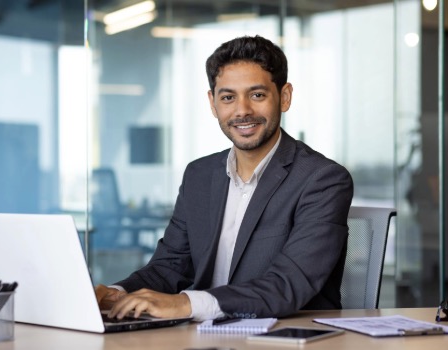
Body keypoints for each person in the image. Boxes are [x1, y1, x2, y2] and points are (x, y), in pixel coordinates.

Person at [95, 35, 354, 322]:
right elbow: (170, 266)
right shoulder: (199, 175)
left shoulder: (322, 180)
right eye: (228, 97)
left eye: (257, 95)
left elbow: (288, 285)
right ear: (213, 103)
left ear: (284, 96)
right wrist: (116, 293)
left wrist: (185, 304)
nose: (242, 110)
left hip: (287, 336)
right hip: (207, 336)